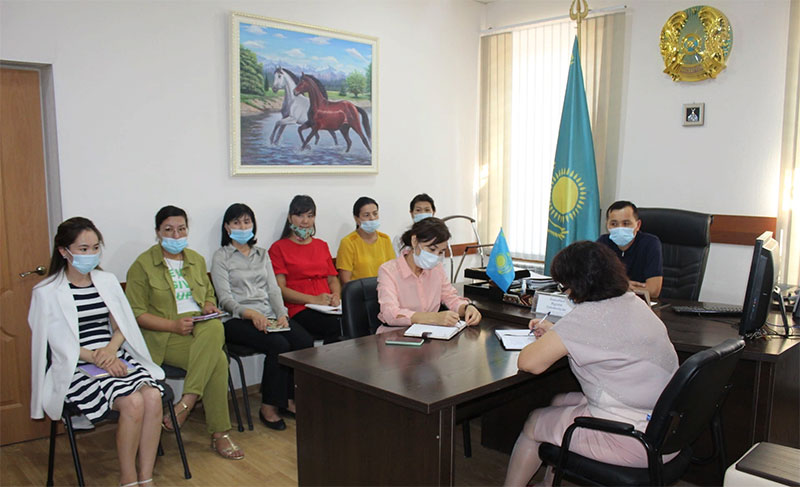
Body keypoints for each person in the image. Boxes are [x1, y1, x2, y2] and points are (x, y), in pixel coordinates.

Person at [503, 241, 679, 486]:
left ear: (577, 284)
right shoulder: (634, 302)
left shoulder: (587, 316)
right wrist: (558, 334)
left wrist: (560, 335)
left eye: (564, 286)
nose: (566, 293)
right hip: (667, 430)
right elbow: (606, 337)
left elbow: (529, 362)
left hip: (634, 440)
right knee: (558, 401)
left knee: (534, 421)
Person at [29, 217, 165, 487]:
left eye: (95, 248)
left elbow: (122, 324)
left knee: (152, 397)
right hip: (75, 364)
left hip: (112, 355)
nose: (90, 254)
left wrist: (111, 350)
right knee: (133, 402)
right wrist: (96, 358)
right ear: (63, 251)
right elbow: (56, 341)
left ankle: (146, 477)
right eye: (83, 249)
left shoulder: (107, 281)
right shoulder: (46, 292)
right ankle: (128, 479)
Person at [126, 205, 243, 460]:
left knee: (214, 325)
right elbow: (136, 314)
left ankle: (186, 402)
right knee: (218, 360)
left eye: (181, 229)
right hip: (165, 336)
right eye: (169, 229)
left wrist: (209, 306)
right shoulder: (142, 266)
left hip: (201, 328)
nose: (176, 235)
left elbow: (209, 295)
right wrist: (172, 326)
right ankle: (220, 434)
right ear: (157, 232)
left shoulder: (196, 260)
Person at [211, 203, 314, 430]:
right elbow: (225, 299)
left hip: (268, 315)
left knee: (303, 341)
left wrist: (282, 314)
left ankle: (289, 399)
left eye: (246, 222)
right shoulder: (221, 257)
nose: (242, 227)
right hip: (236, 319)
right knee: (278, 344)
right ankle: (269, 406)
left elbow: (274, 290)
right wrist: (251, 314)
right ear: (227, 227)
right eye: (236, 222)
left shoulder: (262, 254)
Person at [377, 217, 482, 333]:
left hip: (430, 335)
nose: (436, 256)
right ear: (414, 241)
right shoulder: (388, 271)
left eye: (440, 252)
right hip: (395, 336)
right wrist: (433, 318)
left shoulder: (437, 269)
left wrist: (467, 308)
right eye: (432, 249)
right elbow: (390, 313)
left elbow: (451, 298)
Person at [269, 195, 342, 343]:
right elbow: (280, 289)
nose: (305, 221)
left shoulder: (321, 245)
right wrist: (314, 299)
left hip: (327, 306)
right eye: (300, 215)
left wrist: (336, 296)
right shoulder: (278, 248)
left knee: (355, 321)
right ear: (290, 218)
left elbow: (332, 279)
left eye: (310, 216)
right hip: (299, 308)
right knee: (336, 326)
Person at [596, 200, 663, 298]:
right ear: (607, 225)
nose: (620, 228)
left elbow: (653, 291)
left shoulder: (650, 243)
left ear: (638, 225)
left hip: (640, 303)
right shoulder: (602, 243)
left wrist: (613, 286)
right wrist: (624, 286)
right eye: (614, 224)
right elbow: (592, 283)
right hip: (611, 302)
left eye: (626, 223)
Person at [336, 196, 395, 284]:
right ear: (356, 219)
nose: (372, 218)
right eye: (366, 215)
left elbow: (392, 271)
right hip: (360, 291)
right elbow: (346, 281)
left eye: (375, 214)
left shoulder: (385, 239)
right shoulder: (348, 242)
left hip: (384, 289)